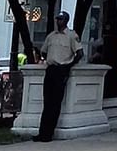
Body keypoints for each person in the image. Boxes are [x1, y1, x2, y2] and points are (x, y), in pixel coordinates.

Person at [34, 12, 82, 142]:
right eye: (57, 19)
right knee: (47, 102)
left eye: (61, 19)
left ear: (66, 20)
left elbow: (79, 53)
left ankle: (48, 134)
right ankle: (42, 133)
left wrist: (68, 66)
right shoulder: (51, 36)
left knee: (55, 103)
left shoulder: (71, 36)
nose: (58, 21)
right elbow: (44, 52)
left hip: (62, 70)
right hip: (51, 69)